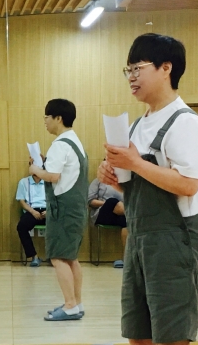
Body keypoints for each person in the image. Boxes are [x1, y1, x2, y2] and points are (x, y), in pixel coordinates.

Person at [100, 33, 198, 345]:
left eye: (138, 68)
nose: (131, 76)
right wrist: (116, 178)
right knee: (140, 336)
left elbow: (189, 184)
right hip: (142, 238)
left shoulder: (185, 123)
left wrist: (135, 163)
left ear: (167, 69)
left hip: (177, 241)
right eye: (127, 69)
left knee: (175, 341)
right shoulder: (138, 124)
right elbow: (140, 186)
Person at [29, 99, 88, 321]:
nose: (44, 121)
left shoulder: (60, 144)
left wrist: (35, 169)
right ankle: (76, 303)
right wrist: (45, 164)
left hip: (63, 209)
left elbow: (53, 176)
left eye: (46, 117)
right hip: (75, 207)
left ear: (58, 118)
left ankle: (70, 305)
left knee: (58, 257)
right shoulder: (74, 141)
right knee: (71, 257)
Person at [88, 176, 127, 268]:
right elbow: (90, 201)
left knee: (127, 223)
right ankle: (133, 215)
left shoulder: (124, 182)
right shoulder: (98, 181)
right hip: (101, 213)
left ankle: (126, 259)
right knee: (112, 201)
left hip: (119, 213)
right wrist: (106, 203)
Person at [15, 169, 47, 266]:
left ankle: (55, 256)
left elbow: (55, 200)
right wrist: (33, 212)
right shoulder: (23, 182)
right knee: (21, 227)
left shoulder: (49, 181)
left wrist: (49, 211)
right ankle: (34, 257)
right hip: (31, 210)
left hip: (47, 210)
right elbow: (21, 201)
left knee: (60, 225)